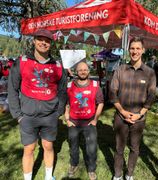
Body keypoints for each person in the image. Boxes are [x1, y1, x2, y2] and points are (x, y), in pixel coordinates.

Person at [8, 29, 67, 180]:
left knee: (48, 146)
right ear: (34, 41)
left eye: (47, 40)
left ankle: (48, 177)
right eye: (40, 39)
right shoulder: (22, 62)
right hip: (27, 116)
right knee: (29, 149)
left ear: (51, 44)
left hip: (49, 117)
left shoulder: (59, 66)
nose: (43, 43)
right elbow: (12, 89)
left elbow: (62, 91)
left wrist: (58, 112)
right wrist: (18, 115)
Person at [110, 37, 156, 180]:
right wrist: (123, 112)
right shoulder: (120, 70)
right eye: (132, 48)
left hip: (139, 118)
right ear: (129, 50)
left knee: (134, 148)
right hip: (120, 116)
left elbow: (151, 96)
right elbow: (112, 92)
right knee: (119, 148)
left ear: (143, 50)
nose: (134, 51)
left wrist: (139, 114)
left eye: (137, 48)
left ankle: (129, 174)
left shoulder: (149, 72)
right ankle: (117, 175)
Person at [64, 61, 104, 180]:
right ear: (76, 71)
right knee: (73, 146)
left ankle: (91, 169)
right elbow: (66, 103)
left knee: (91, 148)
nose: (83, 72)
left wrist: (96, 119)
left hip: (89, 122)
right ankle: (74, 164)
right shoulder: (70, 86)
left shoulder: (95, 85)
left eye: (85, 69)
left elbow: (101, 103)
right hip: (74, 122)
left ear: (89, 71)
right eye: (80, 70)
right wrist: (67, 119)